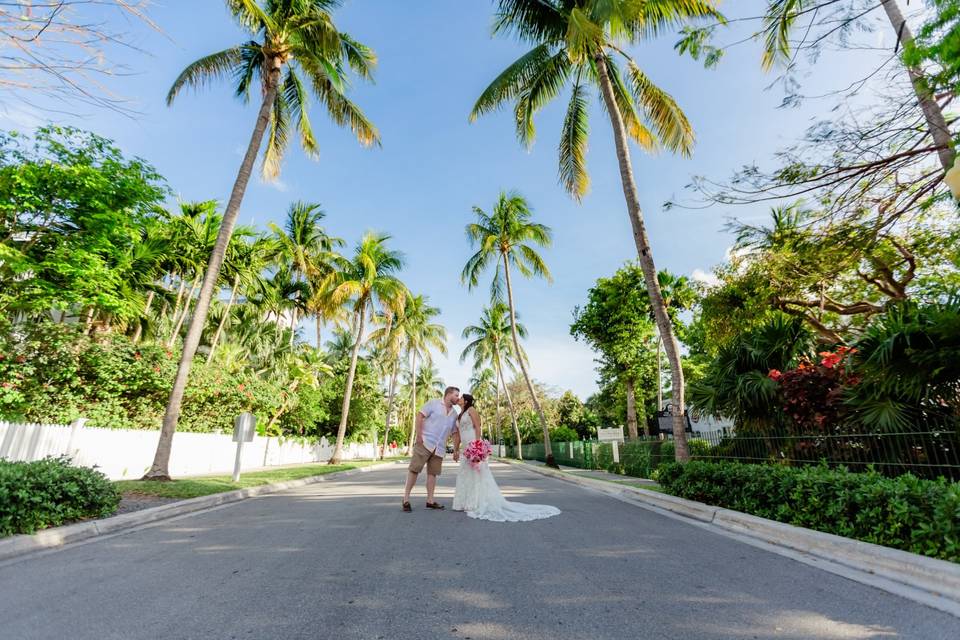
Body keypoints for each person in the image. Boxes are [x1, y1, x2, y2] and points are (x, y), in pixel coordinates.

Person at [452, 393, 560, 522]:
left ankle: (475, 503)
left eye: (461, 398)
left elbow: (477, 427)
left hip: (473, 444)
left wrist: (477, 446)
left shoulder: (471, 410)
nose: (459, 399)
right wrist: (456, 449)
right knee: (465, 474)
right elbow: (458, 433)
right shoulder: (459, 415)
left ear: (466, 401)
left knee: (477, 475)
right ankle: (464, 502)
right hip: (465, 447)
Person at [402, 386, 460, 512]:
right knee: (414, 470)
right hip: (425, 442)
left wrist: (456, 449)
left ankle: (430, 500)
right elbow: (420, 416)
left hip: (439, 448)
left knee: (432, 474)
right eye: (456, 395)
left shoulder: (454, 414)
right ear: (448, 394)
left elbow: (455, 433)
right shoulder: (433, 403)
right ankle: (406, 499)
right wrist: (418, 435)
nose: (458, 398)